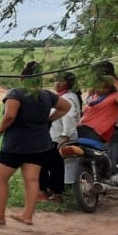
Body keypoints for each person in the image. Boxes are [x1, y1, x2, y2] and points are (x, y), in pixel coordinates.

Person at [0, 61, 71, 226]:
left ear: (22, 77)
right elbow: (66, 106)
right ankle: (27, 215)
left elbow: (10, 116)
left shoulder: (16, 93)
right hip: (40, 143)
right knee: (32, 179)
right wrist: (48, 120)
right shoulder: (46, 95)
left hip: (16, 144)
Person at [77, 61, 118, 175]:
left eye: (102, 84)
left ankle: (108, 169)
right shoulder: (94, 97)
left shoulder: (114, 97)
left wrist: (113, 79)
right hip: (83, 128)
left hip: (96, 132)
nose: (98, 87)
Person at [38, 72, 81, 202]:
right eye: (56, 81)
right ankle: (49, 191)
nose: (57, 83)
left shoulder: (68, 98)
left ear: (68, 83)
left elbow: (68, 118)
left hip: (60, 138)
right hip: (54, 137)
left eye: (61, 81)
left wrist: (65, 136)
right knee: (48, 165)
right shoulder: (62, 96)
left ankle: (54, 193)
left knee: (53, 166)